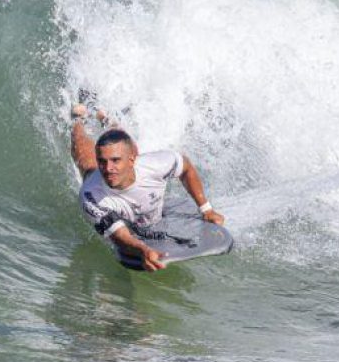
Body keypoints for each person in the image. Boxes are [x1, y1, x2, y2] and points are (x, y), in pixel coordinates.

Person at [70, 104, 225, 272]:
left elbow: (185, 167)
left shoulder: (157, 165)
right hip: (114, 208)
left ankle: (106, 119)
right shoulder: (92, 196)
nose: (108, 169)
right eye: (102, 161)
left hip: (138, 168)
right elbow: (120, 237)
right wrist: (143, 250)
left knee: (122, 144)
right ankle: (78, 120)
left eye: (115, 161)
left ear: (132, 160)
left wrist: (206, 209)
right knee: (87, 164)